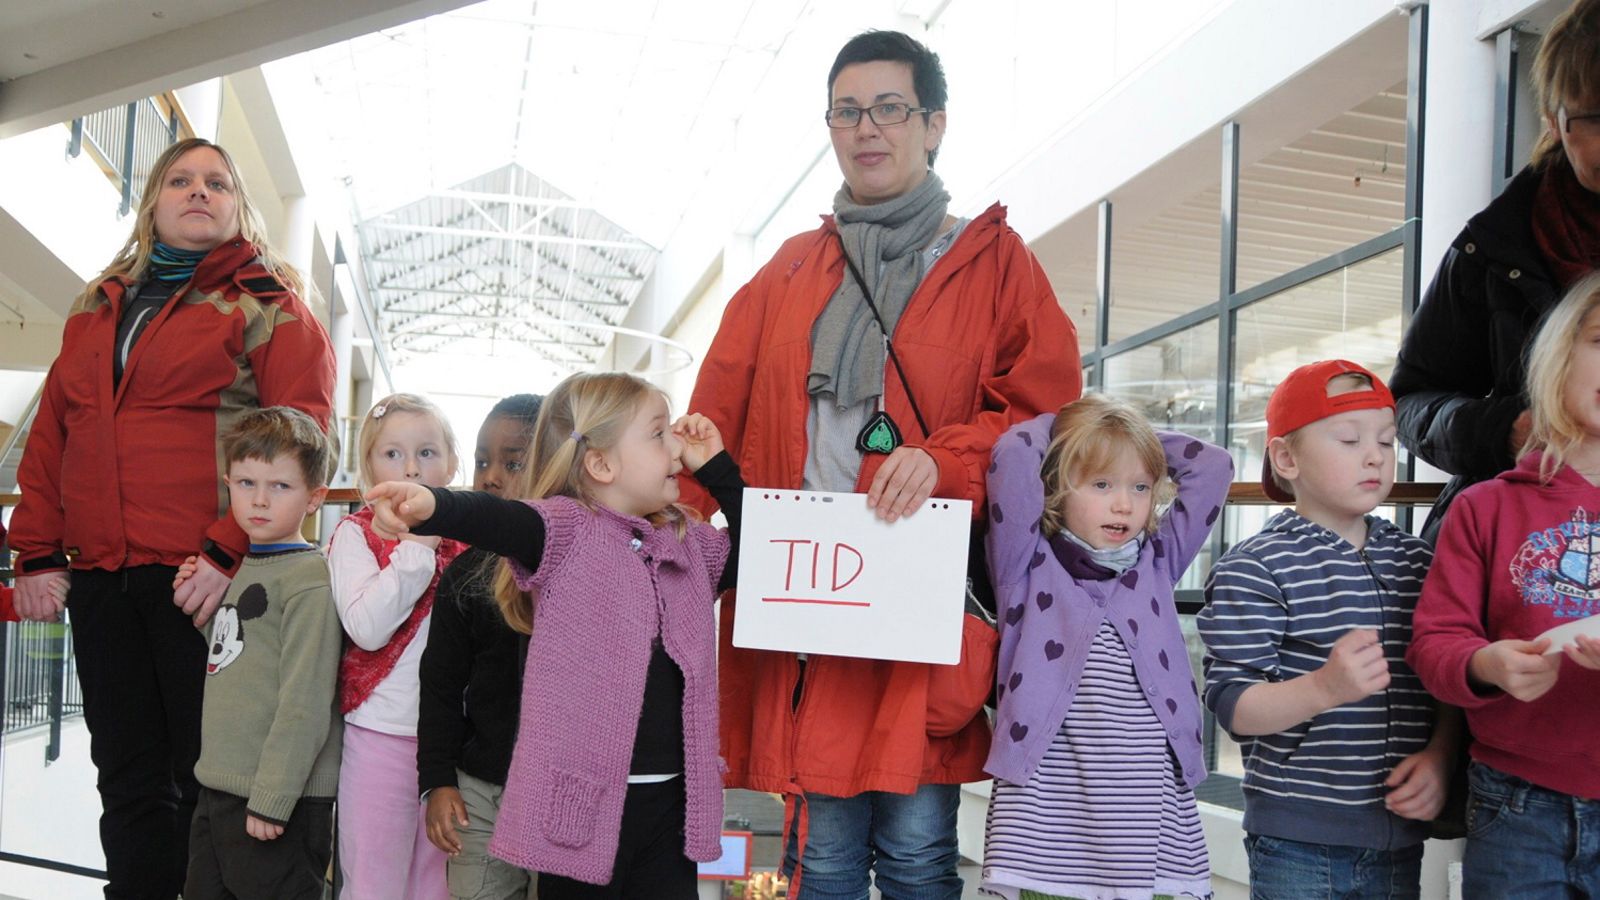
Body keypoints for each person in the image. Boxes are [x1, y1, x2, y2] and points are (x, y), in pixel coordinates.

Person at [678, 29, 1080, 898]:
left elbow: (1046, 417)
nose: (867, 128)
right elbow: (709, 419)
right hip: (805, 598)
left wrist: (947, 461)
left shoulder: (998, 264)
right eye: (846, 111)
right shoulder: (787, 270)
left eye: (890, 108)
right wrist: (638, 538)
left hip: (919, 598)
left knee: (918, 850)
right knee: (815, 858)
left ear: (934, 124)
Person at [9, 136, 335, 899]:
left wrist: (226, 552)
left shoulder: (270, 305)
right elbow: (53, 433)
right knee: (124, 775)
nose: (199, 191)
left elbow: (301, 444)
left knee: (210, 778)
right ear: (153, 202)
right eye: (180, 180)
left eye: (217, 183)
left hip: (204, 582)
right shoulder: (96, 308)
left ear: (239, 208)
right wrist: (35, 552)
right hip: (103, 578)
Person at [367, 372, 746, 899]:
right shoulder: (567, 532)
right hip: (580, 811)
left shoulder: (688, 542)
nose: (678, 449)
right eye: (658, 434)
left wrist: (719, 468)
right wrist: (434, 505)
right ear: (602, 464)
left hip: (670, 809)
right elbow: (500, 520)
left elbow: (759, 550)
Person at [1199, 361, 1452, 899]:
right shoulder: (1256, 566)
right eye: (1349, 439)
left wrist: (1441, 755)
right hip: (1296, 843)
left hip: (1400, 839)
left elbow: (1447, 677)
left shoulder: (1419, 560)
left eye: (1386, 441)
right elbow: (1234, 706)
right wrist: (1324, 687)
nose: (1374, 456)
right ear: (1286, 458)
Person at [980, 396, 1229, 900]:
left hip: (1147, 805)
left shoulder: (1157, 561)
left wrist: (1126, 437)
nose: (1124, 504)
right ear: (1056, 485)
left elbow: (1214, 466)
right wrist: (1079, 432)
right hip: (1046, 806)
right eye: (1101, 484)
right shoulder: (1024, 564)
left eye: (1140, 487)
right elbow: (1014, 452)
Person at [1407, 272, 1600, 897]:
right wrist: (1485, 664)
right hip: (1516, 807)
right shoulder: (1485, 507)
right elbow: (1435, 642)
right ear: (1559, 356)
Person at [1391, 0, 1600, 543]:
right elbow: (1409, 402)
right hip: (1523, 542)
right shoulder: (1492, 246)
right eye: (1597, 119)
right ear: (1553, 120)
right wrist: (1504, 429)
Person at [180, 407, 342, 900]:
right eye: (247, 483)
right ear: (228, 484)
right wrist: (206, 617)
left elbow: (305, 703)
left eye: (280, 486)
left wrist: (273, 798)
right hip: (221, 787)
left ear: (314, 498)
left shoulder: (309, 580)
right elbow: (239, 658)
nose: (260, 499)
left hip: (276, 799)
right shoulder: (249, 566)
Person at [330, 393, 467, 899]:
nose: (411, 467)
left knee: (436, 886)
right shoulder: (355, 535)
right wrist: (416, 551)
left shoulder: (470, 540)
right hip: (381, 736)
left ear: (451, 464)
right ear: (369, 467)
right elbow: (367, 629)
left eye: (427, 453)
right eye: (393, 454)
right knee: (373, 882)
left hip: (451, 746)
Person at [418, 393, 544, 900]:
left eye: (512, 464)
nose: (490, 477)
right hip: (480, 792)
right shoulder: (465, 574)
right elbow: (441, 685)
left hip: (559, 795)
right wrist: (438, 780)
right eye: (481, 461)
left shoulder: (578, 569)